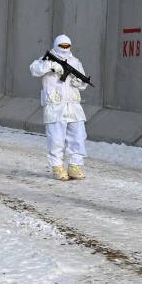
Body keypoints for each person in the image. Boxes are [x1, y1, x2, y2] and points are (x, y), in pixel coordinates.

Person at [30, 35, 90, 181]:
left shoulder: (75, 61)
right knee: (56, 140)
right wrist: (50, 66)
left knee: (79, 137)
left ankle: (75, 166)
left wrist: (80, 83)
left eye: (67, 46)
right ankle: (57, 167)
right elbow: (34, 69)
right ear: (56, 45)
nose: (64, 48)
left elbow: (83, 83)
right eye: (62, 46)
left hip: (73, 106)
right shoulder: (46, 60)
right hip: (55, 106)